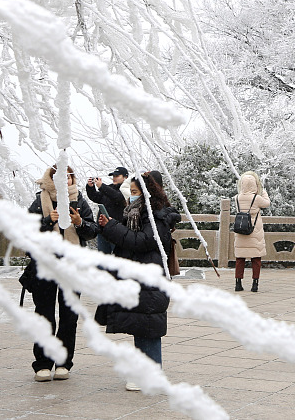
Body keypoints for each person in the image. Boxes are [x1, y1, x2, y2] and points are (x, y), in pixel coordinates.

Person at [96, 171, 180, 392]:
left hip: (149, 278)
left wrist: (113, 227)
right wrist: (109, 226)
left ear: (146, 193)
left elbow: (143, 241)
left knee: (149, 327)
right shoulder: (137, 213)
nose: (131, 196)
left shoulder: (156, 216)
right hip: (137, 277)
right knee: (140, 325)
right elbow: (128, 239)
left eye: (134, 192)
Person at [26, 165, 97, 382]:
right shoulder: (40, 201)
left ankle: (64, 363)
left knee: (69, 316)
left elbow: (93, 230)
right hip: (46, 266)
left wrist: (80, 223)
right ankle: (43, 364)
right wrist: (48, 222)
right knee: (44, 315)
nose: (65, 180)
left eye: (69, 176)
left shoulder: (79, 200)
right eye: (59, 176)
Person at [232, 171, 270, 292]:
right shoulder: (257, 198)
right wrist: (263, 191)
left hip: (241, 230)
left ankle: (238, 283)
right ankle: (255, 284)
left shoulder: (237, 198)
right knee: (256, 258)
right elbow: (267, 203)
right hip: (254, 231)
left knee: (240, 258)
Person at [85, 166, 128, 254]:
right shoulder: (109, 188)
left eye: (117, 176)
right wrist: (90, 187)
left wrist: (101, 186)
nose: (114, 178)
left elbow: (117, 197)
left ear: (125, 177)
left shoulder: (127, 190)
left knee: (119, 257)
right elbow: (96, 197)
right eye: (113, 176)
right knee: (103, 260)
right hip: (103, 230)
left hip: (117, 230)